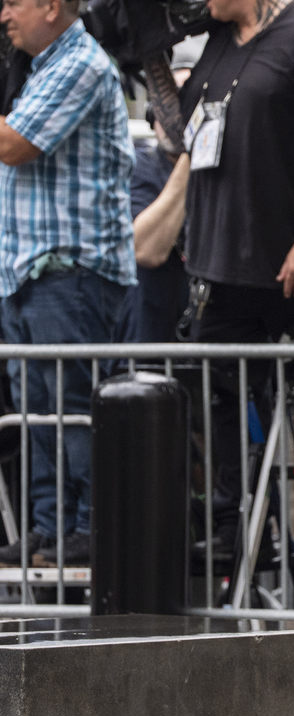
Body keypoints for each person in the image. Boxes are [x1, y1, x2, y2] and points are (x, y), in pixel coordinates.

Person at [177, 0, 294, 552]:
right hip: (220, 275)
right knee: (222, 415)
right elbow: (177, 133)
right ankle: (238, 538)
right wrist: (148, 53)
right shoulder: (216, 38)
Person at [0, 0, 136, 567]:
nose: (4, 15)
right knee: (38, 410)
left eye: (13, 2)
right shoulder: (45, 67)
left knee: (71, 406)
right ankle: (49, 526)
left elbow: (15, 144)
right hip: (33, 273)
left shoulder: (80, 62)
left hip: (69, 272)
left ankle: (86, 528)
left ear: (52, 7)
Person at [125, 60, 193, 343]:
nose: (174, 117)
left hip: (201, 336)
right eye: (166, 105)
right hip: (147, 336)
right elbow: (146, 249)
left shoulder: (224, 171)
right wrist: (193, 153)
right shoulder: (138, 165)